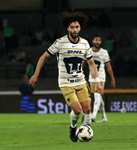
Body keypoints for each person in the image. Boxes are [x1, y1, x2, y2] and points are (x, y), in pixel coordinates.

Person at [29, 11, 103, 142]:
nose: (75, 30)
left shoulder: (85, 44)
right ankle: (73, 127)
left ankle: (85, 131)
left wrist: (97, 82)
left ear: (80, 28)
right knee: (78, 109)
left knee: (88, 108)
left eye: (77, 27)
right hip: (66, 83)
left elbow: (91, 63)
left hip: (80, 81)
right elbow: (43, 57)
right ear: (68, 28)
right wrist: (35, 75)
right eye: (72, 27)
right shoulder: (60, 42)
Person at [83, 35, 115, 122]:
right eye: (96, 40)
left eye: (99, 40)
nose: (98, 42)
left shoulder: (104, 52)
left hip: (101, 78)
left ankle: (93, 115)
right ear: (93, 41)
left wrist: (112, 78)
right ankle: (104, 117)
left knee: (97, 95)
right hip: (91, 78)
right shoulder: (88, 51)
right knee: (99, 97)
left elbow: (108, 67)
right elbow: (83, 63)